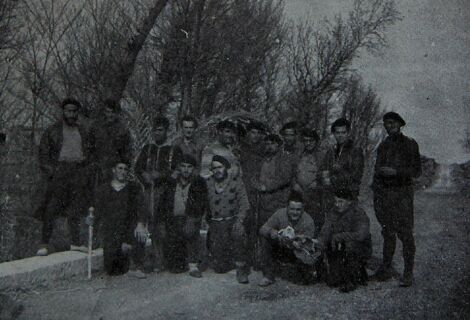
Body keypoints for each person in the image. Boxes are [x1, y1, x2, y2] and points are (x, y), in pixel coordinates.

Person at [36, 98, 96, 256]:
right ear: (63, 111)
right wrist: (52, 172)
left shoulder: (82, 131)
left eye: (74, 111)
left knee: (75, 209)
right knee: (51, 208)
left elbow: (90, 154)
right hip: (60, 171)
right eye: (68, 111)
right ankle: (44, 244)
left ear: (77, 113)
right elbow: (43, 154)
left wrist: (85, 171)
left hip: (78, 171)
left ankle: (75, 242)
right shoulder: (53, 130)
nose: (71, 114)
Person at [371, 111, 422, 287]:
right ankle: (385, 268)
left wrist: (396, 172)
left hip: (403, 196)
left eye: (393, 123)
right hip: (385, 196)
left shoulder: (410, 144)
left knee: (406, 234)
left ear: (400, 124)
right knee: (387, 233)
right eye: (387, 124)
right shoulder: (383, 146)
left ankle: (408, 272)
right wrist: (376, 195)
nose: (390, 126)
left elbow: (417, 171)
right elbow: (377, 172)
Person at [134, 116, 183, 270]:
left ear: (166, 131)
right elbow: (137, 169)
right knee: (146, 223)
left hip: (167, 193)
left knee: (162, 228)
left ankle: (161, 261)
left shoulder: (174, 150)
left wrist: (161, 176)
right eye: (155, 130)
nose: (157, 133)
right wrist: (145, 177)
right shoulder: (147, 148)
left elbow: (178, 171)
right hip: (149, 192)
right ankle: (142, 261)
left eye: (160, 130)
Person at [91, 160, 148, 278]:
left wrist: (141, 224)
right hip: (111, 230)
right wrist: (91, 220)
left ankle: (136, 265)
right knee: (113, 270)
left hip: (128, 228)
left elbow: (141, 207)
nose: (122, 172)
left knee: (139, 233)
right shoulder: (104, 189)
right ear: (114, 170)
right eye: (120, 168)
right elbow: (97, 211)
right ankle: (123, 251)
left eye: (125, 169)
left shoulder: (133, 188)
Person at [157, 154, 208, 277]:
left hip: (190, 219)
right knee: (175, 268)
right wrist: (162, 222)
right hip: (173, 220)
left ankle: (193, 265)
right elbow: (162, 203)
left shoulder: (199, 182)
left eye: (189, 167)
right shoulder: (172, 182)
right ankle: (174, 260)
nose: (186, 170)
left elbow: (201, 204)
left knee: (191, 233)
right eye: (183, 166)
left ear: (194, 169)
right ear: (179, 167)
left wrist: (192, 219)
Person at [205, 155, 251, 283]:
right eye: (214, 168)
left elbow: (244, 205)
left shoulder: (236, 183)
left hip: (232, 221)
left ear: (226, 168)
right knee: (219, 268)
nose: (217, 170)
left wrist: (239, 221)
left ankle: (241, 268)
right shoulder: (208, 183)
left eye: (220, 167)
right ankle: (225, 258)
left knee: (238, 233)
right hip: (216, 223)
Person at [316, 189, 372, 293]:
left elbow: (361, 234)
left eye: (340, 201)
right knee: (333, 282)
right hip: (339, 247)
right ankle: (357, 272)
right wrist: (319, 244)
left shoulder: (358, 213)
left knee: (350, 244)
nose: (337, 205)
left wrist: (341, 236)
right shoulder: (333, 212)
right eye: (335, 201)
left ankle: (352, 279)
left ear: (349, 201)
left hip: (359, 247)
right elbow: (325, 230)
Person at [258, 191, 318, 287]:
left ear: (303, 209)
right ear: (287, 207)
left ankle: (302, 271)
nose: (295, 212)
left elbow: (308, 246)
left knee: (305, 280)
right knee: (266, 238)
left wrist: (298, 242)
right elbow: (263, 229)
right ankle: (268, 276)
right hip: (280, 247)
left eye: (298, 210)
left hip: (297, 252)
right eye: (292, 209)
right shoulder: (280, 214)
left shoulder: (308, 221)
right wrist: (274, 233)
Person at [252, 134, 296, 228]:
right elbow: (254, 176)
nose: (269, 146)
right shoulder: (261, 160)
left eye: (272, 144)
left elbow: (285, 178)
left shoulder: (284, 159)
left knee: (279, 231)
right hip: (263, 204)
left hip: (278, 202)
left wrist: (267, 187)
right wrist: (256, 185)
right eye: (267, 144)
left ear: (278, 145)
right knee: (264, 230)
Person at [89, 99, 132, 184]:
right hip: (98, 168)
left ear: (117, 113)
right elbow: (89, 147)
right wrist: (93, 163)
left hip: (116, 168)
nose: (110, 115)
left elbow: (127, 151)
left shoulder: (123, 129)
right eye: (107, 112)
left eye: (113, 112)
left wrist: (124, 168)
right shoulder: (96, 127)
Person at [321, 118, 364, 200]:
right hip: (332, 194)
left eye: (343, 132)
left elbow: (356, 176)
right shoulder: (331, 150)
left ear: (348, 133)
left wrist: (335, 177)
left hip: (348, 195)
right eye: (337, 133)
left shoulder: (355, 150)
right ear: (333, 133)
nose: (340, 135)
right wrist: (324, 176)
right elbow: (323, 168)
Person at [293, 128, 325, 235]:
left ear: (316, 141)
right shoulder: (299, 155)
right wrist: (295, 184)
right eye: (305, 141)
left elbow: (326, 175)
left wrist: (318, 184)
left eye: (310, 141)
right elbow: (292, 172)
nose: (308, 143)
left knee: (314, 224)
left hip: (315, 196)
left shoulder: (321, 156)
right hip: (300, 194)